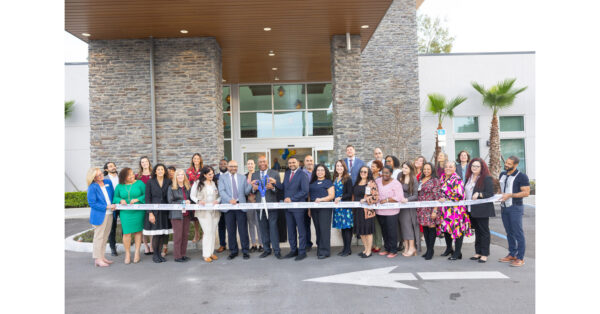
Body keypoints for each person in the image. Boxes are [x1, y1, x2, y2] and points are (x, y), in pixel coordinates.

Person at [274, 156, 309, 261]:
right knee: (291, 230)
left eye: (293, 162)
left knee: (301, 231)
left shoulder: (303, 174)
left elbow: (305, 191)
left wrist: (292, 199)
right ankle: (293, 250)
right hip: (288, 208)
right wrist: (275, 183)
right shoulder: (287, 173)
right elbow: (284, 187)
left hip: (298, 206)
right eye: (289, 163)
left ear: (298, 162)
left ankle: (302, 252)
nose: (291, 164)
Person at [498, 156, 530, 267]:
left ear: (515, 165)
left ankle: (520, 257)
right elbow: (500, 188)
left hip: (515, 207)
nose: (506, 164)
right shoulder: (502, 174)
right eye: (506, 162)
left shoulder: (522, 176)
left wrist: (510, 195)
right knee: (509, 232)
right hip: (504, 207)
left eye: (509, 163)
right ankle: (512, 254)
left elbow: (526, 193)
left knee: (518, 233)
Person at [218, 160, 253, 260]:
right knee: (231, 230)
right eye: (231, 166)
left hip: (240, 206)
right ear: (228, 167)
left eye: (235, 166)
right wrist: (229, 200)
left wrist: (250, 184)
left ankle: (245, 250)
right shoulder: (222, 177)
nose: (233, 168)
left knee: (243, 230)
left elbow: (246, 192)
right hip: (229, 207)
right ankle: (233, 251)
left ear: (237, 167)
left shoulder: (242, 177)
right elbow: (221, 191)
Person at [251, 155, 283, 259]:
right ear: (258, 163)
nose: (262, 163)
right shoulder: (254, 174)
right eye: (260, 162)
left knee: (273, 229)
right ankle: (266, 249)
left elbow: (279, 189)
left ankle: (277, 250)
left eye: (264, 161)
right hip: (260, 207)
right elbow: (252, 190)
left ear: (267, 162)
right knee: (263, 229)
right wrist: (254, 189)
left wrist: (273, 188)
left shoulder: (274, 173)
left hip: (272, 206)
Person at [438, 161, 472, 261]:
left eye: (450, 167)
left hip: (456, 210)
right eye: (446, 166)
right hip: (445, 210)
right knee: (447, 229)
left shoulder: (457, 179)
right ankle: (449, 249)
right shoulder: (442, 177)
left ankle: (458, 252)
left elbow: (459, 195)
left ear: (454, 168)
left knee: (457, 230)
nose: (448, 168)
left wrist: (446, 198)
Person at [464, 158, 495, 263]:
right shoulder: (469, 177)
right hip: (470, 209)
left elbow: (490, 193)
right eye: (473, 166)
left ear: (482, 168)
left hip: (482, 209)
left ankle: (485, 254)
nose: (474, 168)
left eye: (477, 166)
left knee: (484, 231)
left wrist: (479, 194)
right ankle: (478, 252)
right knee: (477, 231)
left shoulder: (486, 178)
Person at [113, 167, 146, 264]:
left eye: (132, 173)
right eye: (129, 175)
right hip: (125, 213)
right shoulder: (119, 186)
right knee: (126, 233)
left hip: (138, 212)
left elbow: (146, 194)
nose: (132, 176)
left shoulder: (140, 183)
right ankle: (127, 254)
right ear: (124, 177)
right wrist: (120, 200)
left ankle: (137, 253)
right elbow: (115, 197)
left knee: (138, 232)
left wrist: (137, 199)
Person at [190, 166, 222, 263]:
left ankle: (211, 253)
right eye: (209, 174)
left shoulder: (214, 183)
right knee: (207, 231)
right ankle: (206, 254)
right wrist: (198, 201)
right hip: (203, 212)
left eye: (212, 174)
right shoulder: (197, 183)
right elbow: (192, 195)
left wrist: (217, 201)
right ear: (204, 175)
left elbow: (219, 196)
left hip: (214, 211)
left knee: (212, 232)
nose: (212, 176)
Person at [86, 168, 116, 267]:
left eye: (101, 174)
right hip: (100, 215)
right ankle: (97, 259)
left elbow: (113, 195)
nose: (101, 176)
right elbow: (92, 203)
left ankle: (102, 257)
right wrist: (107, 206)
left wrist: (115, 204)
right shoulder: (92, 187)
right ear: (94, 178)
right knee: (99, 237)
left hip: (110, 214)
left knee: (105, 237)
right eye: (98, 175)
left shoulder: (107, 182)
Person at [143, 164, 172, 263]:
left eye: (162, 169)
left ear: (164, 171)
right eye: (158, 169)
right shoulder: (150, 182)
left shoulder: (168, 181)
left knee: (162, 234)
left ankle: (159, 255)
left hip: (165, 211)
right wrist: (150, 213)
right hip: (154, 212)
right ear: (155, 171)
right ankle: (155, 256)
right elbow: (147, 198)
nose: (160, 171)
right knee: (156, 234)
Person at [375, 166, 406, 258]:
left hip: (391, 212)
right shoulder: (378, 181)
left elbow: (399, 197)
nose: (385, 174)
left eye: (387, 173)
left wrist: (387, 200)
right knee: (384, 231)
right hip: (380, 211)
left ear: (391, 173)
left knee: (391, 231)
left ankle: (393, 250)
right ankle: (387, 248)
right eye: (383, 172)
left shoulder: (396, 183)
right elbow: (374, 192)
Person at [308, 164, 335, 259]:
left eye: (322, 170)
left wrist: (321, 199)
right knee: (318, 229)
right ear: (315, 172)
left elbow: (331, 196)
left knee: (324, 230)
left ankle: (325, 251)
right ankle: (320, 249)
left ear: (325, 172)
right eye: (318, 170)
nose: (320, 172)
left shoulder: (328, 182)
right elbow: (309, 197)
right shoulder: (312, 183)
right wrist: (309, 209)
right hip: (314, 210)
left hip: (325, 209)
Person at [417, 162, 443, 260]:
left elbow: (437, 196)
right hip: (422, 209)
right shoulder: (420, 179)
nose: (426, 171)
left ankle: (431, 251)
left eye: (428, 169)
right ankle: (428, 249)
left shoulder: (435, 180)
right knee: (425, 230)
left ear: (432, 170)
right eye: (425, 169)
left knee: (431, 228)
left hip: (431, 208)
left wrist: (435, 211)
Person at [167, 169, 193, 262]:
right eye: (178, 175)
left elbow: (191, 198)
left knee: (185, 235)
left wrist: (190, 201)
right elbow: (170, 201)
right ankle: (177, 256)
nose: (180, 176)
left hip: (186, 214)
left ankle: (183, 254)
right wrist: (182, 201)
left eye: (182, 175)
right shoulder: (171, 188)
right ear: (175, 177)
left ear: (184, 176)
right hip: (176, 215)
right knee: (178, 236)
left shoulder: (187, 187)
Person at [397, 161, 420, 257]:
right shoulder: (399, 176)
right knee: (402, 227)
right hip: (400, 206)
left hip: (408, 206)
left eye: (406, 168)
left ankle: (412, 247)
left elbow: (415, 195)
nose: (404, 169)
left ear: (410, 169)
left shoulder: (413, 179)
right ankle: (406, 246)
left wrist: (407, 199)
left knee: (408, 227)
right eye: (403, 167)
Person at [331, 160, 354, 257]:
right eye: (337, 166)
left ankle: (348, 250)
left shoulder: (347, 178)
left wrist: (340, 198)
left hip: (345, 208)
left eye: (341, 166)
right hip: (337, 208)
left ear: (344, 167)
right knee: (342, 230)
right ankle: (345, 248)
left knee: (347, 229)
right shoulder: (335, 178)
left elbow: (349, 193)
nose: (339, 167)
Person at [353, 166, 377, 258]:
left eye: (365, 172)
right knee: (361, 231)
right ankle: (365, 249)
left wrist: (366, 200)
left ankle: (369, 251)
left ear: (368, 173)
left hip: (367, 211)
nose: (363, 173)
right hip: (358, 211)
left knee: (368, 231)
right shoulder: (357, 182)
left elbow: (376, 197)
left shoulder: (371, 183)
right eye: (361, 171)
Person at [136, 156, 153, 255]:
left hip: (151, 201)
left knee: (151, 224)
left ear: (149, 162)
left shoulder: (153, 174)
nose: (144, 163)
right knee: (143, 225)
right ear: (140, 164)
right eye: (142, 162)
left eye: (146, 161)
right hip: (141, 203)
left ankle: (151, 245)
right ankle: (145, 245)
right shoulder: (137, 176)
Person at [186, 153, 204, 246]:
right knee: (194, 216)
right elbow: (186, 182)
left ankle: (204, 233)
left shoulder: (203, 169)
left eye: (198, 158)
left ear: (200, 160)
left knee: (203, 214)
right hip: (192, 195)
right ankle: (197, 234)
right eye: (194, 158)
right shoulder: (188, 171)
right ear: (192, 160)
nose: (196, 160)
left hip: (201, 194)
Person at [245, 159, 263, 252]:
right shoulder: (244, 176)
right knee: (251, 224)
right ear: (246, 166)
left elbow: (261, 187)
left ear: (254, 165)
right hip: (248, 203)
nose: (250, 165)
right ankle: (253, 244)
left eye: (252, 163)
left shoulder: (258, 175)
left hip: (257, 202)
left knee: (258, 223)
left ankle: (261, 244)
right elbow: (243, 189)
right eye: (248, 164)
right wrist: (249, 197)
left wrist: (255, 197)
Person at [104, 161, 120, 256]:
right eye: (110, 166)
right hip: (111, 206)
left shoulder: (121, 177)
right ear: (106, 169)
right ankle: (113, 248)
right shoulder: (104, 179)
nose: (113, 167)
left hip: (122, 205)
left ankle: (126, 243)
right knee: (112, 227)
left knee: (125, 226)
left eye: (114, 165)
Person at [214, 158, 229, 252]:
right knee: (221, 226)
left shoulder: (231, 176)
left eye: (224, 164)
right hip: (219, 204)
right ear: (219, 166)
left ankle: (232, 244)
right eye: (221, 164)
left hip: (229, 204)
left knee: (231, 226)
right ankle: (222, 244)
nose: (223, 165)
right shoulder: (215, 177)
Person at [369, 160, 384, 253]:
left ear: (379, 168)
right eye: (371, 166)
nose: (372, 168)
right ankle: (374, 244)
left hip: (379, 204)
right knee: (373, 224)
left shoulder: (381, 178)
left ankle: (378, 244)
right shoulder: (369, 177)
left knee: (378, 225)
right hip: (370, 203)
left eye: (374, 166)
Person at [302, 154, 315, 251]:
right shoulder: (301, 173)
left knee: (319, 223)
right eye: (307, 160)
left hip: (317, 200)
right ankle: (307, 243)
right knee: (306, 224)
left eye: (311, 160)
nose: (309, 162)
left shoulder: (318, 171)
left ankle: (321, 243)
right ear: (304, 162)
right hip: (304, 200)